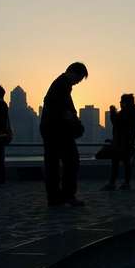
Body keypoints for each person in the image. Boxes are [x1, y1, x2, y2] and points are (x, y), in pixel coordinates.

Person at [40, 62, 88, 207]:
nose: (78, 82)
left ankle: (55, 198)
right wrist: (71, 119)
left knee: (53, 164)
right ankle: (67, 195)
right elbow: (57, 106)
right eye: (78, 78)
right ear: (72, 72)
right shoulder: (61, 85)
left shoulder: (62, 84)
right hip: (57, 131)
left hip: (52, 130)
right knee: (71, 161)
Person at [103, 94, 135, 190]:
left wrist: (113, 113)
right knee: (120, 163)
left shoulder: (130, 112)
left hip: (125, 142)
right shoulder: (127, 112)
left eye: (122, 101)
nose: (120, 103)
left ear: (126, 102)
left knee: (121, 163)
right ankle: (120, 183)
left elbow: (118, 123)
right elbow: (117, 124)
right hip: (121, 141)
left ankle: (117, 183)